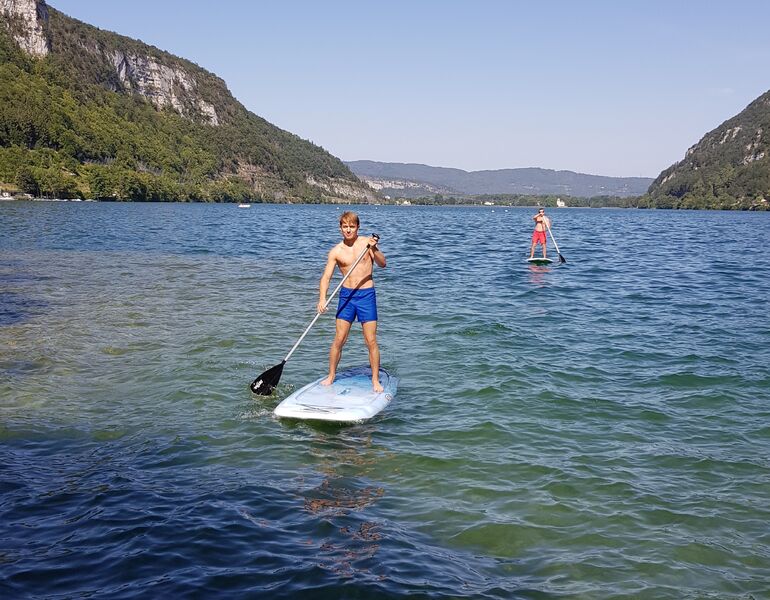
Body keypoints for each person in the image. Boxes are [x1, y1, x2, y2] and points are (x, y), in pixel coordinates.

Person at [318, 211, 387, 391]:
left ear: (357, 227)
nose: (348, 230)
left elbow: (383, 264)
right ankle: (331, 375)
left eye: (352, 226)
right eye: (345, 226)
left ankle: (375, 380)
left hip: (366, 296)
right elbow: (326, 277)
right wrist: (322, 298)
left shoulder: (366, 243)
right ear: (340, 228)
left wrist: (374, 248)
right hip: (346, 296)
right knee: (339, 339)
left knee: (370, 340)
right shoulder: (336, 251)